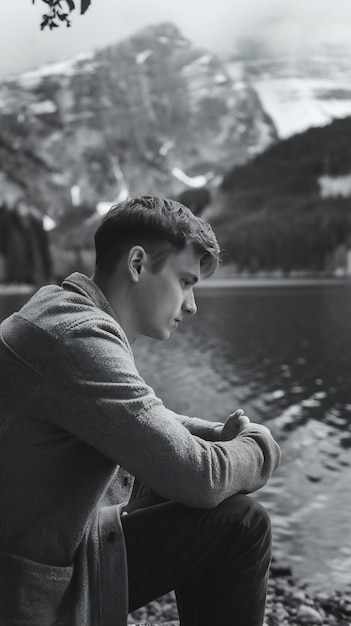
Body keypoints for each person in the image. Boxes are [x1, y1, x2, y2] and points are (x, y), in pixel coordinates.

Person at [0, 196, 281, 626]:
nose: (191, 305)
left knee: (183, 489)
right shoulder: (78, 341)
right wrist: (260, 447)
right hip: (30, 594)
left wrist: (211, 436)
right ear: (137, 264)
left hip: (52, 548)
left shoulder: (60, 311)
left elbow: (141, 417)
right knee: (240, 525)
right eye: (185, 281)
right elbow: (198, 477)